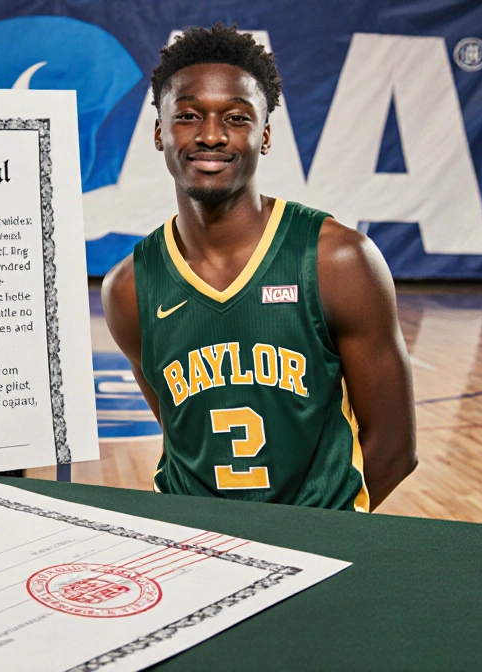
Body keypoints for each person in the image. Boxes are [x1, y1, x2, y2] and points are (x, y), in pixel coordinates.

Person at [102, 24, 416, 511]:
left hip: (316, 542)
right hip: (191, 539)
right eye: (187, 116)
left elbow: (395, 449)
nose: (210, 135)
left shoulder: (337, 260)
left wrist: (317, 535)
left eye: (235, 117)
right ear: (160, 133)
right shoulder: (128, 287)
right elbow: (181, 432)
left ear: (264, 135)